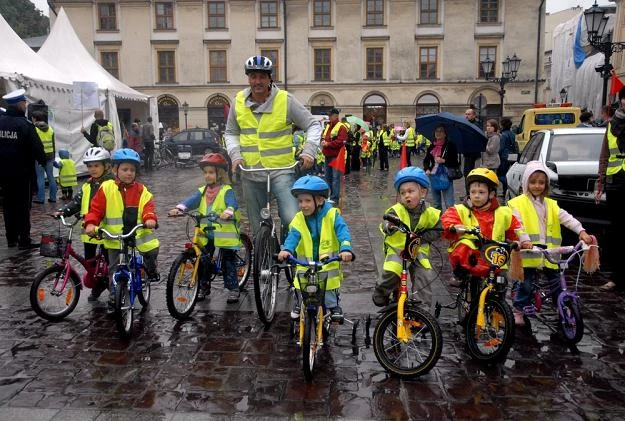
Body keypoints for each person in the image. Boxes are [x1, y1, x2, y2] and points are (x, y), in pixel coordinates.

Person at [225, 55, 321, 237]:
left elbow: (313, 125)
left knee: (291, 218)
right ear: (248, 78)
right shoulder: (237, 101)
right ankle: (263, 260)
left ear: (270, 78)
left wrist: (309, 150)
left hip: (281, 171)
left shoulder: (285, 100)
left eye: (262, 77)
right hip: (250, 171)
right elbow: (230, 132)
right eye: (253, 77)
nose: (257, 81)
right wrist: (235, 155)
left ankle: (288, 250)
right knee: (257, 226)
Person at [508, 161, 593, 325]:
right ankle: (518, 309)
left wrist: (581, 231)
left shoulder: (551, 205)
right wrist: (524, 241)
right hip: (529, 253)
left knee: (557, 282)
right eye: (533, 182)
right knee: (526, 283)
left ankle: (560, 306)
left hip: (551, 254)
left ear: (546, 185)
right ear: (526, 183)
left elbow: (567, 218)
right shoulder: (518, 203)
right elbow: (517, 225)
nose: (537, 186)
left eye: (541, 182)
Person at [84, 148, 160, 314]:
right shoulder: (106, 188)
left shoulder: (141, 190)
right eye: (125, 169)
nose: (129, 173)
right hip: (114, 239)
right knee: (114, 269)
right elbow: (95, 209)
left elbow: (148, 206)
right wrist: (90, 223)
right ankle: (114, 295)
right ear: (114, 170)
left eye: (132, 170)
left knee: (150, 253)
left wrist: (149, 218)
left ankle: (150, 269)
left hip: (137, 235)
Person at [441, 168, 532, 295]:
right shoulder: (461, 209)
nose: (476, 195)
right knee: (466, 244)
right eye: (473, 192)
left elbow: (516, 227)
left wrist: (524, 240)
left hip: (495, 258)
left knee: (499, 291)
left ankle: (499, 311)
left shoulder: (503, 212)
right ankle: (460, 275)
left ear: (491, 194)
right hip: (473, 260)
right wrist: (453, 226)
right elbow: (448, 218)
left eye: (481, 192)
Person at [277, 175, 354, 323]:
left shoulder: (332, 214)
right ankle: (299, 303)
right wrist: (287, 249)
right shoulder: (299, 218)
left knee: (329, 285)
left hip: (327, 263)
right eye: (300, 201)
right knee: (300, 285)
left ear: (319, 200)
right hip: (304, 263)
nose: (302, 205)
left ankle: (333, 306)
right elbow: (293, 235)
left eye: (307, 200)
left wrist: (345, 249)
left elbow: (342, 232)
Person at [168, 153, 242, 303]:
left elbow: (232, 203)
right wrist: (180, 208)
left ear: (220, 174)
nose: (207, 176)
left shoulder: (226, 189)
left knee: (228, 260)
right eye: (205, 172)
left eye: (211, 172)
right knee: (201, 259)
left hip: (223, 231)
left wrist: (228, 212)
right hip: (205, 231)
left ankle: (233, 288)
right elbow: (191, 200)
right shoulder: (202, 191)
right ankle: (203, 286)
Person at [372, 167, 442, 309]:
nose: (406, 196)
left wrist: (423, 237)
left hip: (418, 249)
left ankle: (422, 310)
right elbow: (386, 221)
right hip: (398, 249)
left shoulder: (431, 212)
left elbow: (439, 229)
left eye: (411, 191)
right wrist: (389, 226)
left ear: (423, 192)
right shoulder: (397, 210)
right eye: (403, 193)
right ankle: (381, 292)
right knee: (392, 271)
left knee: (424, 276)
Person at [54, 147, 114, 301]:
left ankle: (113, 290)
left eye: (96, 166)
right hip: (89, 230)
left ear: (106, 166)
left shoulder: (112, 184)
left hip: (108, 230)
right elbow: (77, 201)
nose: (92, 169)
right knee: (90, 263)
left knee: (110, 262)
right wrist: (63, 211)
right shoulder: (88, 185)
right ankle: (98, 284)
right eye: (89, 166)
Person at [0, 89, 46, 249]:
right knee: (23, 206)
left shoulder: (1, 121)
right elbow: (37, 148)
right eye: (24, 103)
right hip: (22, 174)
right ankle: (24, 239)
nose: (26, 105)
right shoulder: (25, 124)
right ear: (19, 104)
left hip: (4, 173)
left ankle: (11, 238)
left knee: (8, 206)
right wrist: (43, 160)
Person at [594, 86, 625, 292]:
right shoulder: (612, 124)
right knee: (617, 231)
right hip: (617, 183)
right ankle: (617, 276)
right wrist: (601, 181)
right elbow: (604, 155)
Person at [423, 124, 460, 210]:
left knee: (449, 203)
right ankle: (438, 221)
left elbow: (455, 162)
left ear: (445, 134)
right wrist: (427, 169)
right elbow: (426, 160)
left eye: (441, 131)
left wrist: (444, 161)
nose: (438, 133)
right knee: (436, 203)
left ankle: (450, 221)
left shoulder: (450, 145)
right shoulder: (432, 146)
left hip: (446, 176)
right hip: (433, 176)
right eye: (437, 131)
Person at [322, 108, 348, 204]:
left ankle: (334, 198)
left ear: (336, 116)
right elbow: (324, 136)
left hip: (336, 156)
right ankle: (329, 195)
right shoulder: (328, 126)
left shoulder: (341, 127)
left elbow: (341, 141)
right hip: (327, 155)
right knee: (328, 177)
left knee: (335, 177)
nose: (329, 117)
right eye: (329, 115)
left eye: (331, 115)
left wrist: (328, 144)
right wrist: (323, 141)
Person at [32, 110, 58, 204]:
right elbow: (53, 144)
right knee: (51, 177)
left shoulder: (34, 129)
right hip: (50, 155)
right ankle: (53, 198)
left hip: (39, 156)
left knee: (40, 177)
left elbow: (34, 144)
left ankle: (41, 199)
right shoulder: (50, 129)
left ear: (35, 118)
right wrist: (54, 156)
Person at [497, 117, 519, 197]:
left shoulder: (503, 135)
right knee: (507, 173)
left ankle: (508, 186)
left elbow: (501, 147)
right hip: (512, 155)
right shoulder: (512, 133)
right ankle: (504, 191)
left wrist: (498, 154)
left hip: (504, 156)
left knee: (500, 174)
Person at [462, 108, 482, 179]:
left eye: (469, 114)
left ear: (474, 116)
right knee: (466, 174)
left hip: (473, 154)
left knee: (471, 174)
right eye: (466, 114)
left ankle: (470, 189)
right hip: (467, 153)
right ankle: (468, 189)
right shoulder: (464, 124)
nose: (466, 116)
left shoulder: (476, 126)